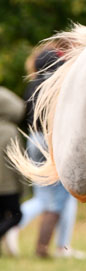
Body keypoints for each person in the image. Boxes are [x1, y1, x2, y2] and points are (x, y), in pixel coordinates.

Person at [4, 48, 85, 259]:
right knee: (57, 199)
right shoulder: (60, 85)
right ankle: (27, 234)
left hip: (34, 140)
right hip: (52, 140)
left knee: (49, 198)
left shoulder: (33, 84)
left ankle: (58, 245)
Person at [0, 87, 25, 247]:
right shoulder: (10, 131)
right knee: (16, 215)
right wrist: (23, 186)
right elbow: (18, 161)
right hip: (8, 187)